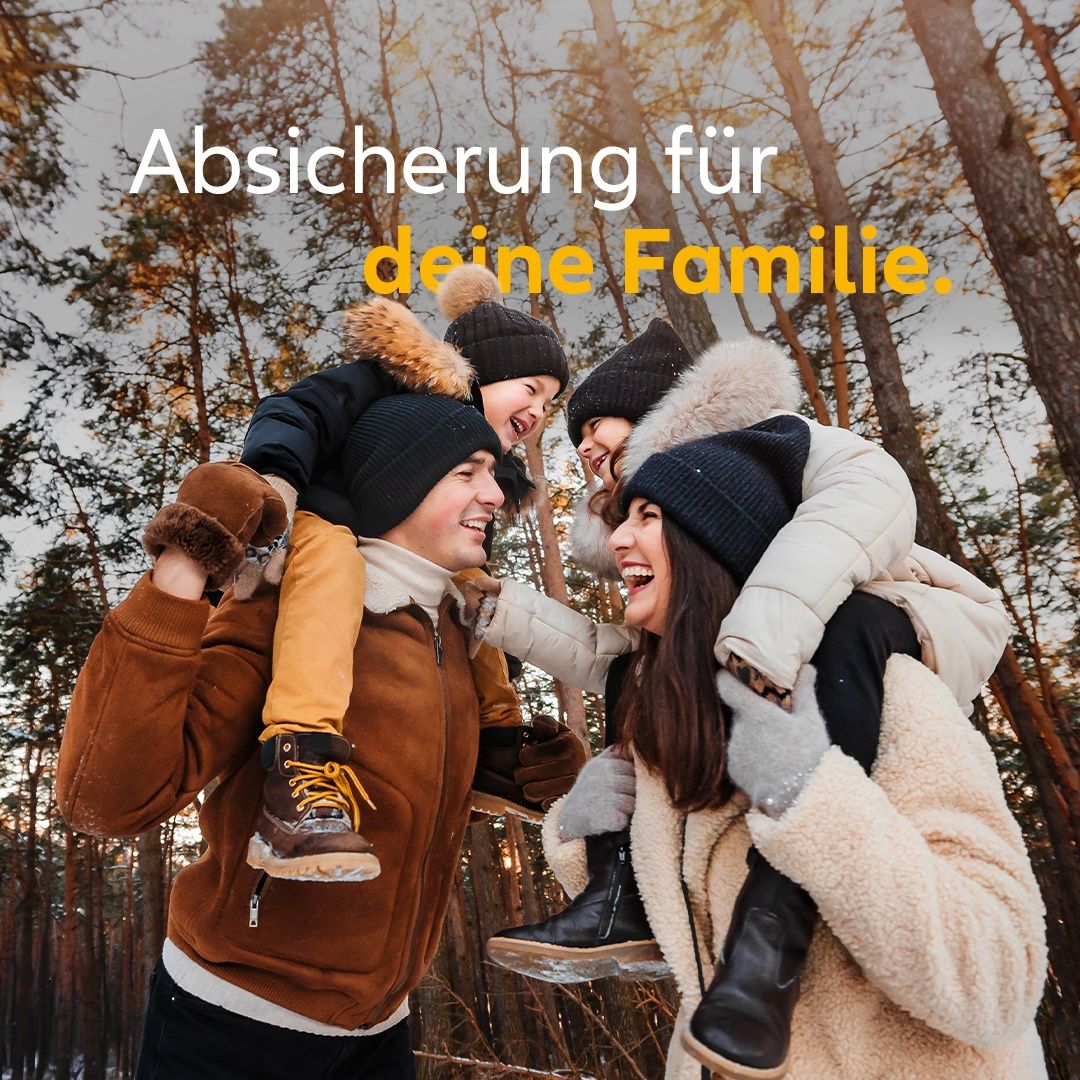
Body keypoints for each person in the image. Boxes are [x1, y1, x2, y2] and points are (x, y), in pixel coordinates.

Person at [466, 321, 1010, 1076]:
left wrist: (807, 789)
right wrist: (586, 833)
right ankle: (617, 899)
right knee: (637, 673)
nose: (583, 448)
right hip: (749, 645)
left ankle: (772, 931)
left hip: (870, 617)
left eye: (596, 427)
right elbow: (608, 654)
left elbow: (999, 984)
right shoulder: (688, 707)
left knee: (842, 631)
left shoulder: (894, 694)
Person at [56, 393, 586, 1080]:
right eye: (467, 473)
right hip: (235, 1022)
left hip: (382, 1027)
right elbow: (108, 798)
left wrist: (519, 769)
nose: (495, 493)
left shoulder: (458, 630)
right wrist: (184, 567)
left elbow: (403, 803)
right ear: (397, 481)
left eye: (492, 473)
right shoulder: (287, 608)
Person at [176, 262, 571, 881]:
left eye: (550, 403)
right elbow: (298, 410)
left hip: (411, 560)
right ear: (483, 370)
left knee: (478, 590)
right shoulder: (397, 381)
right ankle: (299, 756)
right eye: (532, 388)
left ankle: (496, 742)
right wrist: (275, 482)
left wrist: (493, 676)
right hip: (326, 520)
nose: (539, 411)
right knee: (332, 559)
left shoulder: (489, 475)